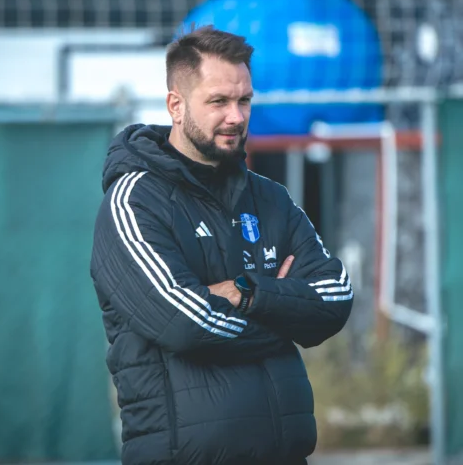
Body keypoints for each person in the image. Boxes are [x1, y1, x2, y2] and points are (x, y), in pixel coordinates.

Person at [90, 25, 353, 465]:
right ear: (176, 105)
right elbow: (183, 323)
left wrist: (245, 292)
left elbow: (334, 300)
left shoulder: (270, 198)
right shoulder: (133, 201)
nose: (236, 116)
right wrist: (284, 312)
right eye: (218, 102)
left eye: (244, 100)